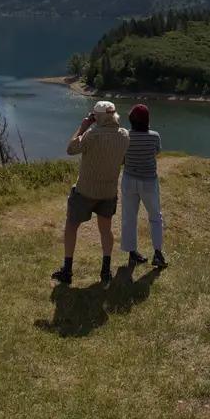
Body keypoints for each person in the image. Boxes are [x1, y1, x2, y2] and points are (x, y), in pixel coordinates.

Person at [51, 100, 129, 284]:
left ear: (97, 117)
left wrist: (82, 127)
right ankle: (105, 271)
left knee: (71, 226)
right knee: (106, 230)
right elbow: (123, 160)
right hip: (108, 191)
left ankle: (68, 271)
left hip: (85, 190)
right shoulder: (124, 135)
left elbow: (70, 149)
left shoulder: (91, 134)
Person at [121, 103, 168, 269]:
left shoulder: (125, 135)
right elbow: (156, 152)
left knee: (129, 217)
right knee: (155, 217)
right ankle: (158, 254)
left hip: (128, 180)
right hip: (148, 181)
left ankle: (132, 253)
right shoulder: (154, 136)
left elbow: (122, 158)